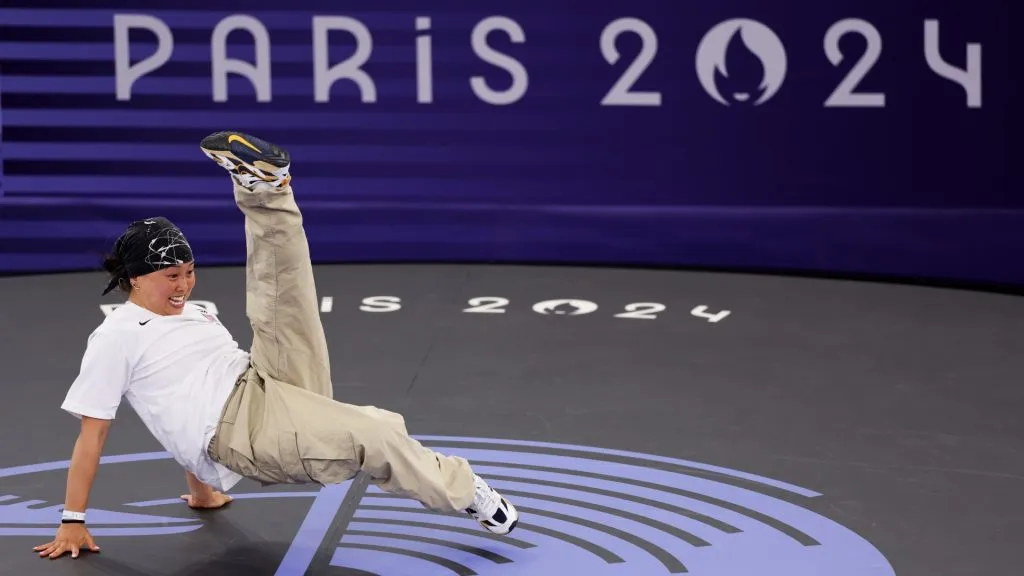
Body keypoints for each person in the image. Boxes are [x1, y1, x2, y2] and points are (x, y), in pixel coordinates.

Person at [33, 131, 519, 561]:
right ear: (135, 279)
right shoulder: (116, 336)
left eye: (188, 272)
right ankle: (465, 492)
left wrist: (203, 491)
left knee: (285, 298)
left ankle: (266, 191)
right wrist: (72, 519)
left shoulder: (196, 312)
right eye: (170, 276)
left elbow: (178, 401)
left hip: (262, 380)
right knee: (376, 431)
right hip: (244, 431)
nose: (184, 285)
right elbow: (94, 435)